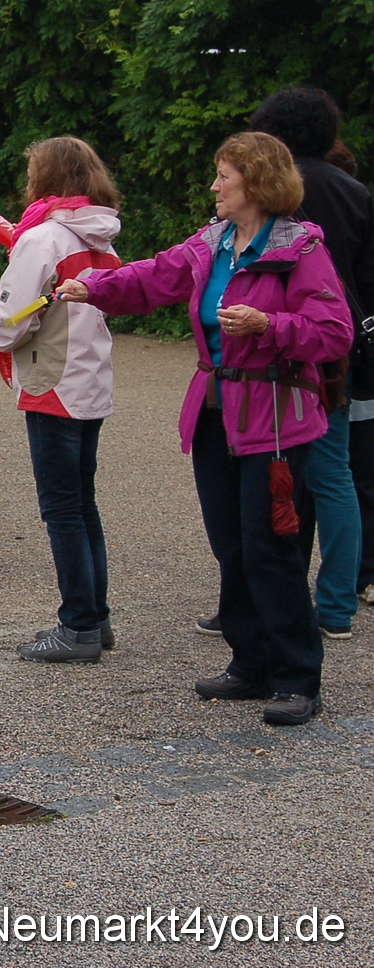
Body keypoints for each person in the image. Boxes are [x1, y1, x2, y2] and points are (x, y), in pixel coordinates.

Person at [57, 132, 351, 726]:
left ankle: (297, 677)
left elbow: (334, 330)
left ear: (258, 184)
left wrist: (268, 324)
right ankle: (249, 662)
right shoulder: (210, 244)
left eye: (224, 176)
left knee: (271, 548)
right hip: (216, 413)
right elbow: (151, 277)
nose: (214, 187)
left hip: (273, 420)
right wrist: (94, 287)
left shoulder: (301, 247)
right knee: (231, 544)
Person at [0, 137, 122, 662]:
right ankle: (94, 617)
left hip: (52, 378)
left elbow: (16, 312)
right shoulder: (100, 237)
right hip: (90, 376)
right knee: (82, 504)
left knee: (61, 509)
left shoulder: (42, 238)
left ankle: (78, 623)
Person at [245, 86, 371, 640]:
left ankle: (270, 597)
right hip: (341, 349)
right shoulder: (353, 190)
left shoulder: (274, 195)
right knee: (333, 475)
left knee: (278, 474)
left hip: (282, 348)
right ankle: (337, 604)